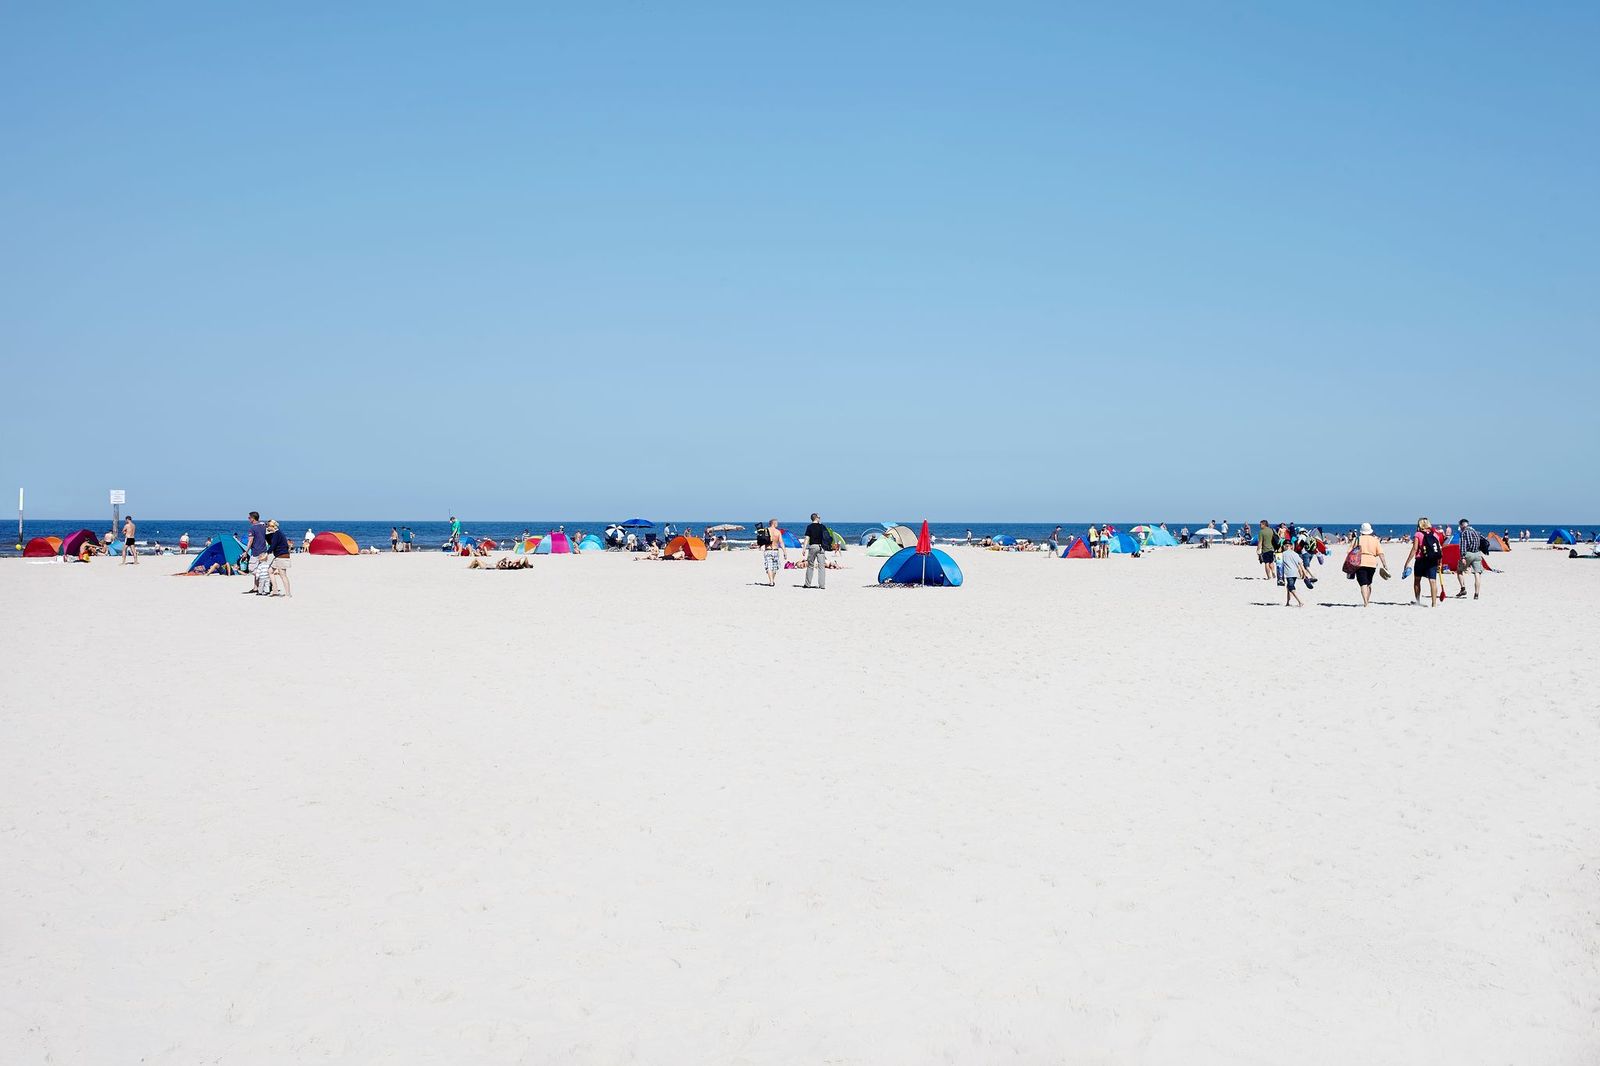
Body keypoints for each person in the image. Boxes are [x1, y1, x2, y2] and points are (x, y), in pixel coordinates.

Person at [1403, 517, 1444, 607]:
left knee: (1417, 580)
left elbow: (1414, 549)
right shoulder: (1435, 534)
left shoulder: (1418, 534)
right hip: (1432, 560)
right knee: (1433, 581)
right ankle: (1434, 604)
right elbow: (1439, 549)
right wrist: (1440, 561)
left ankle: (1418, 601)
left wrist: (1407, 562)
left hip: (1420, 560)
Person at [1348, 522, 1387, 607]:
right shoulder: (1375, 540)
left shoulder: (1357, 539)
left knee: (1363, 583)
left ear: (1361, 531)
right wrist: (1384, 564)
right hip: (1372, 563)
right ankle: (1367, 601)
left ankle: (1365, 602)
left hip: (1359, 562)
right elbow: (1381, 553)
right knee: (1369, 583)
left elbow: (1349, 552)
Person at [1455, 519, 1487, 600]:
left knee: (1459, 571)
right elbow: (1483, 540)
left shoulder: (1464, 533)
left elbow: (1463, 545)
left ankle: (1463, 589)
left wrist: (1462, 557)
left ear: (1462, 525)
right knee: (1477, 574)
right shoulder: (1475, 531)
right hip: (1477, 554)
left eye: (1460, 526)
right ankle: (1476, 594)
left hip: (1468, 554)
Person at [265, 519, 292, 596]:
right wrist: (266, 533)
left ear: (272, 526)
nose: (267, 527)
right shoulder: (276, 533)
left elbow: (273, 545)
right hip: (278, 556)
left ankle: (288, 594)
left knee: (283, 575)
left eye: (268, 526)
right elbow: (270, 542)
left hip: (282, 556)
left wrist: (267, 553)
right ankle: (275, 590)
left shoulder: (277, 534)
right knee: (270, 571)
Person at [245, 511, 270, 594]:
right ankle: (256, 587)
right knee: (261, 568)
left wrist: (246, 552)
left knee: (252, 569)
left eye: (249, 518)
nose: (248, 519)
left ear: (253, 518)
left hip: (256, 551)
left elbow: (250, 541)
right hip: (263, 551)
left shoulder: (252, 528)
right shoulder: (263, 526)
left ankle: (264, 582)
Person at [803, 513, 830, 589]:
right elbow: (826, 536)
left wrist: (804, 548)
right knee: (821, 566)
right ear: (816, 518)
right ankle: (822, 585)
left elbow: (807, 538)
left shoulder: (809, 527)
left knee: (810, 565)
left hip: (813, 546)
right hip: (821, 547)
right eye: (819, 517)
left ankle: (807, 584)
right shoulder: (822, 526)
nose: (820, 518)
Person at [758, 518, 785, 586]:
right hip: (775, 551)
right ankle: (772, 581)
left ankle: (771, 581)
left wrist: (760, 546)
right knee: (775, 567)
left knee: (769, 567)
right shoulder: (778, 532)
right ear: (773, 523)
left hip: (768, 550)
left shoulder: (766, 531)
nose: (777, 524)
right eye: (776, 523)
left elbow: (761, 540)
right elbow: (781, 542)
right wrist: (784, 552)